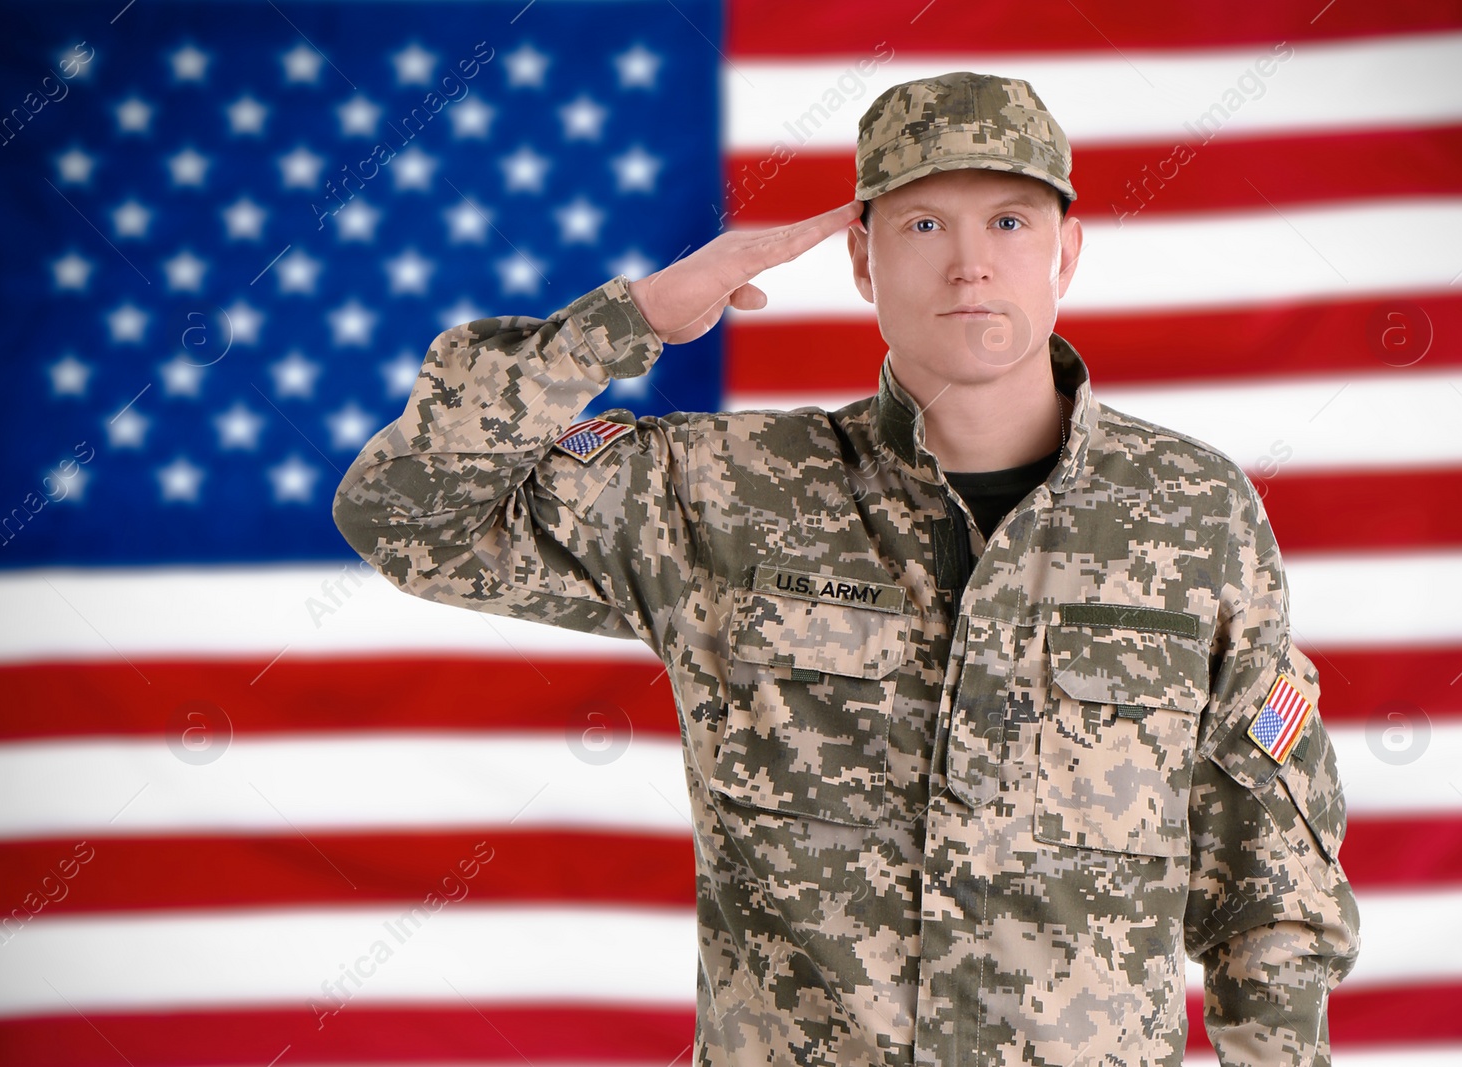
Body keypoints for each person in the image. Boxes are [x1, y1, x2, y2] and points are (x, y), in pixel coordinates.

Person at [333, 70, 1358, 1067]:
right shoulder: (728, 496)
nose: (969, 264)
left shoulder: (1192, 510)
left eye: (1009, 222)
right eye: (922, 225)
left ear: (1067, 252)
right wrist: (627, 322)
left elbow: (1270, 873)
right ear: (861, 260)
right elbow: (404, 512)